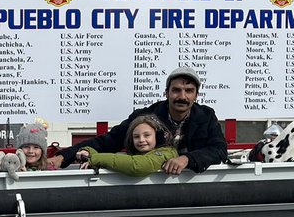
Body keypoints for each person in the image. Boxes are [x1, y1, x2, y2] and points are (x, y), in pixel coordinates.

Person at [48, 67, 228, 175]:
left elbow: (219, 150)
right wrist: (63, 157)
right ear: (166, 93)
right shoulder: (147, 116)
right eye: (176, 90)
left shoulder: (206, 116)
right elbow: (108, 141)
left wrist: (187, 159)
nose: (182, 96)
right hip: (146, 186)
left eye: (189, 91)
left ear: (196, 95)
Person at [77, 114, 178, 176]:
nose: (141, 140)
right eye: (136, 137)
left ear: (158, 136)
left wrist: (95, 158)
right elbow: (120, 160)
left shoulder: (167, 153)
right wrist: (88, 152)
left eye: (147, 135)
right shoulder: (133, 155)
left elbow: (137, 166)